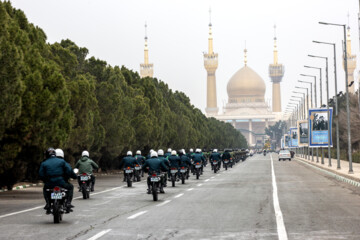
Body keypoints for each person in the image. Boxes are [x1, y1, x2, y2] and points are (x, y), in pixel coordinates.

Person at [39, 148, 76, 214]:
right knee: (70, 187)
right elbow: (69, 170)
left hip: (49, 183)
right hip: (61, 182)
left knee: (45, 189)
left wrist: (46, 180)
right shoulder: (62, 161)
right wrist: (68, 177)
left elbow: (41, 174)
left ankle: (48, 203)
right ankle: (68, 203)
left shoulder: (44, 163)